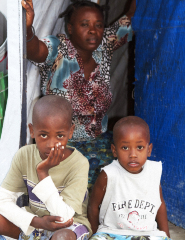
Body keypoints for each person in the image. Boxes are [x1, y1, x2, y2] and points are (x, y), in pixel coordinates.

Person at [21, 0, 136, 190]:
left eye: (98, 25)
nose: (93, 30)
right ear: (70, 28)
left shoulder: (104, 48)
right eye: (85, 24)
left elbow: (130, 20)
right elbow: (35, 51)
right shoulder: (59, 49)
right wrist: (27, 30)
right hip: (60, 145)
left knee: (118, 183)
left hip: (99, 142)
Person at [0, 95, 91, 240]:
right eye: (43, 135)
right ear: (32, 130)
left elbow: (64, 217)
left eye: (60, 136)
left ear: (71, 132)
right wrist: (36, 221)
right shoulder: (24, 155)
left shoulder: (79, 163)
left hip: (69, 226)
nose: (51, 144)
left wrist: (43, 173)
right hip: (36, 223)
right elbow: (2, 200)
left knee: (62, 238)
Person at [87, 116, 172, 240]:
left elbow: (160, 205)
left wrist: (166, 235)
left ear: (149, 150)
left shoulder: (153, 172)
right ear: (114, 150)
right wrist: (94, 234)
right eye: (125, 148)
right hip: (112, 233)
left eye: (139, 148)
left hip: (147, 234)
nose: (133, 155)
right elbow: (93, 206)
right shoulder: (109, 174)